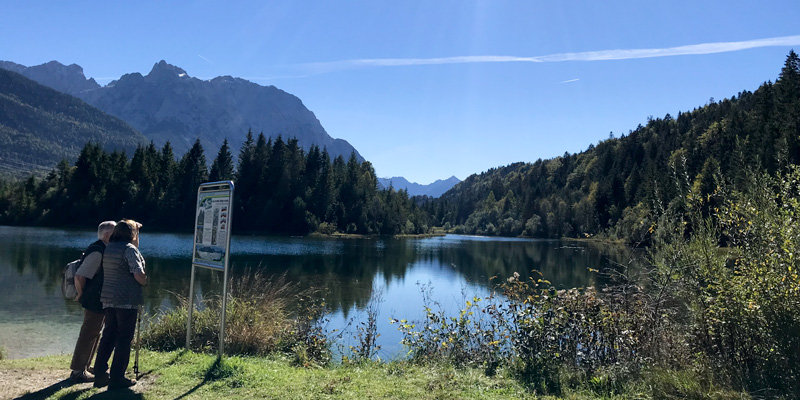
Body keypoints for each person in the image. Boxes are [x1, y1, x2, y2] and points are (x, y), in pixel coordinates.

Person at [92, 219, 147, 390]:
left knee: (108, 335)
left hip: (108, 298)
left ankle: (100, 374)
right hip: (125, 300)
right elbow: (138, 274)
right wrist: (144, 280)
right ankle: (117, 377)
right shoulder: (128, 249)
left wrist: (135, 231)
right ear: (131, 234)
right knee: (124, 338)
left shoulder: (110, 248)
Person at [69, 220, 117, 383]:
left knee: (95, 333)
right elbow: (80, 276)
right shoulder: (98, 251)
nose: (117, 235)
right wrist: (81, 294)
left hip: (99, 298)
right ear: (106, 234)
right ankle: (77, 372)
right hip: (94, 299)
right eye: (115, 232)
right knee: (88, 333)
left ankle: (85, 366)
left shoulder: (104, 248)